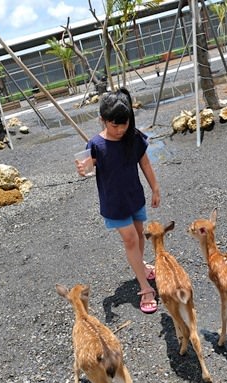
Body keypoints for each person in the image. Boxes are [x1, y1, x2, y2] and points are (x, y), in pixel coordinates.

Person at [75, 87, 161, 314]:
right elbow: (88, 167)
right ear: (102, 120)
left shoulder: (132, 136)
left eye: (124, 124)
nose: (121, 129)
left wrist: (155, 188)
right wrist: (84, 168)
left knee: (139, 235)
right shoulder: (96, 144)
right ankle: (145, 287)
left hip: (134, 197)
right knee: (131, 239)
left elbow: (145, 164)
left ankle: (140, 266)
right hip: (114, 204)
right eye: (115, 125)